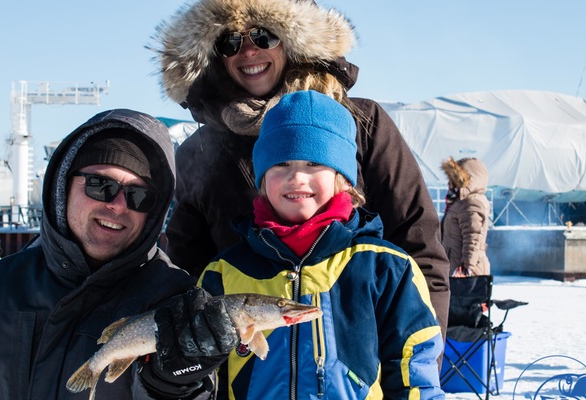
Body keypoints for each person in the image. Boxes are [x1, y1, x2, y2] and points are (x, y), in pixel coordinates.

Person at [154, 0, 451, 338]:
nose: (248, 52)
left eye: (263, 36)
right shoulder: (200, 150)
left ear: (292, 39)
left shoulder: (362, 124)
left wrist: (423, 355)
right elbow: (187, 272)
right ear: (214, 55)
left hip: (360, 364)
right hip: (247, 365)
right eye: (230, 42)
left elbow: (419, 247)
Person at [0, 109, 239, 399]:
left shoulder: (178, 300)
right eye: (101, 185)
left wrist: (173, 389)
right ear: (63, 185)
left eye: (139, 195)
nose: (119, 205)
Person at [199, 91, 444, 399]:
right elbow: (205, 378)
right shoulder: (223, 272)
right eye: (281, 163)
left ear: (341, 177)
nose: (297, 177)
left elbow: (415, 375)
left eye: (314, 162)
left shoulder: (386, 268)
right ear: (262, 179)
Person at [440, 156, 491, 276]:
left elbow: (473, 237)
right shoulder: (459, 202)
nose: (450, 182)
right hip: (454, 266)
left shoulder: (472, 202)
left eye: (455, 177)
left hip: (463, 272)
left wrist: (467, 268)